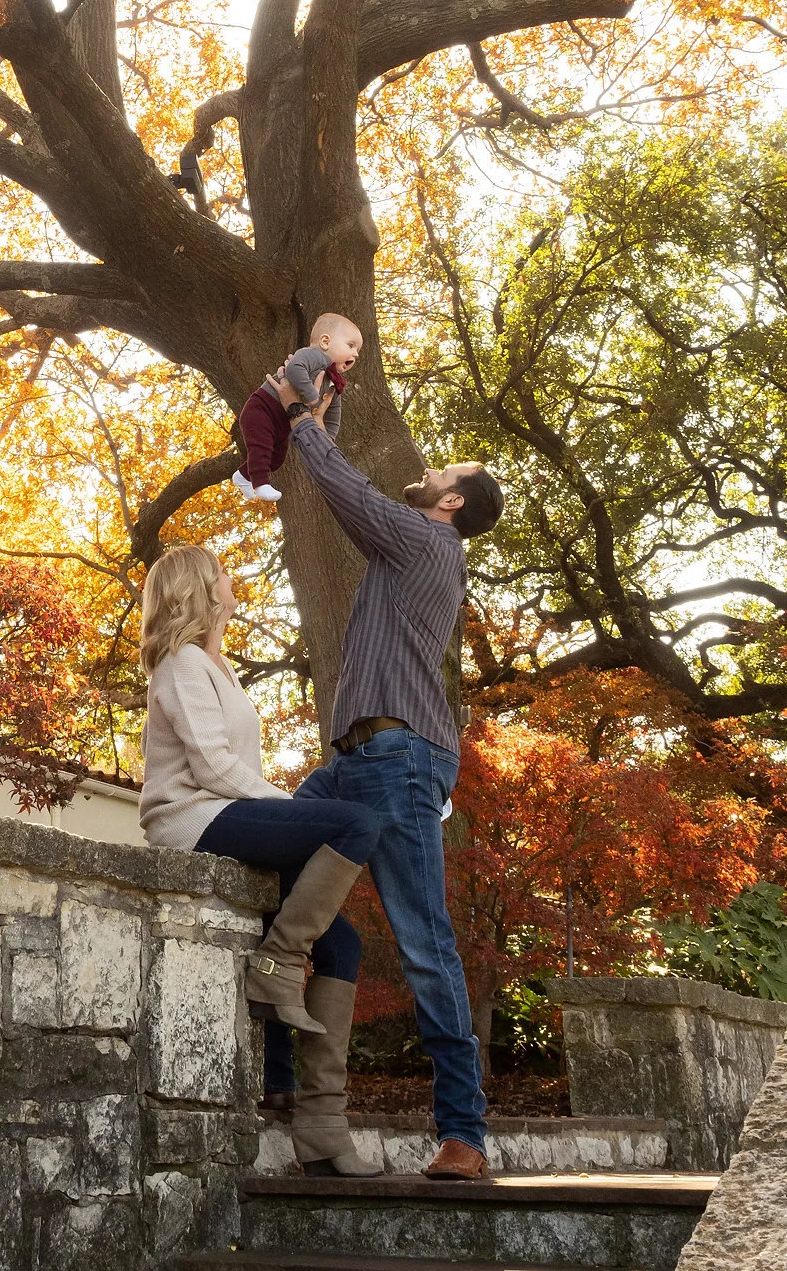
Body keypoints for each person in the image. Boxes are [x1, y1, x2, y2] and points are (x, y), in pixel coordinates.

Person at [270, 369, 505, 1181]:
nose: (436, 470)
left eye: (449, 473)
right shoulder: (418, 545)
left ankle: (464, 1136)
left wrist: (305, 418)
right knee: (269, 861)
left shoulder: (426, 538)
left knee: (424, 940)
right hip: (356, 762)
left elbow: (349, 495)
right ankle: (295, 1072)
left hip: (400, 762)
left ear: (451, 504)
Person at [138, 545, 384, 1169]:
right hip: (190, 818)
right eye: (222, 571)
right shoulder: (181, 662)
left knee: (344, 945)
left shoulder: (216, 665)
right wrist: (293, 809)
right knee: (356, 823)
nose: (232, 578)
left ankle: (314, 1114)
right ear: (201, 588)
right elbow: (212, 767)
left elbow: (233, 766)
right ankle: (277, 959)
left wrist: (289, 811)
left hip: (226, 811)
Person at [233, 312, 362, 502]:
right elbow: (294, 369)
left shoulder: (332, 380)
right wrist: (311, 396)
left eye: (357, 350)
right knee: (261, 448)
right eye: (350, 345)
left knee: (276, 458)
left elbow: (333, 413)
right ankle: (260, 484)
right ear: (325, 342)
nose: (356, 353)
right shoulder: (313, 355)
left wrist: (329, 438)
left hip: (281, 424)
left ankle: (243, 476)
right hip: (262, 409)